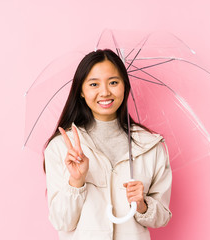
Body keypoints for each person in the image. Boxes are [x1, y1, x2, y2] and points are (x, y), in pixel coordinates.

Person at [43, 49, 172, 240]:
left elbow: (162, 218)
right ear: (81, 91)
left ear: (125, 87)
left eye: (113, 82)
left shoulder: (150, 145)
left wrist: (142, 204)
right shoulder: (62, 147)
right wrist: (76, 182)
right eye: (94, 84)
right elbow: (61, 221)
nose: (105, 92)